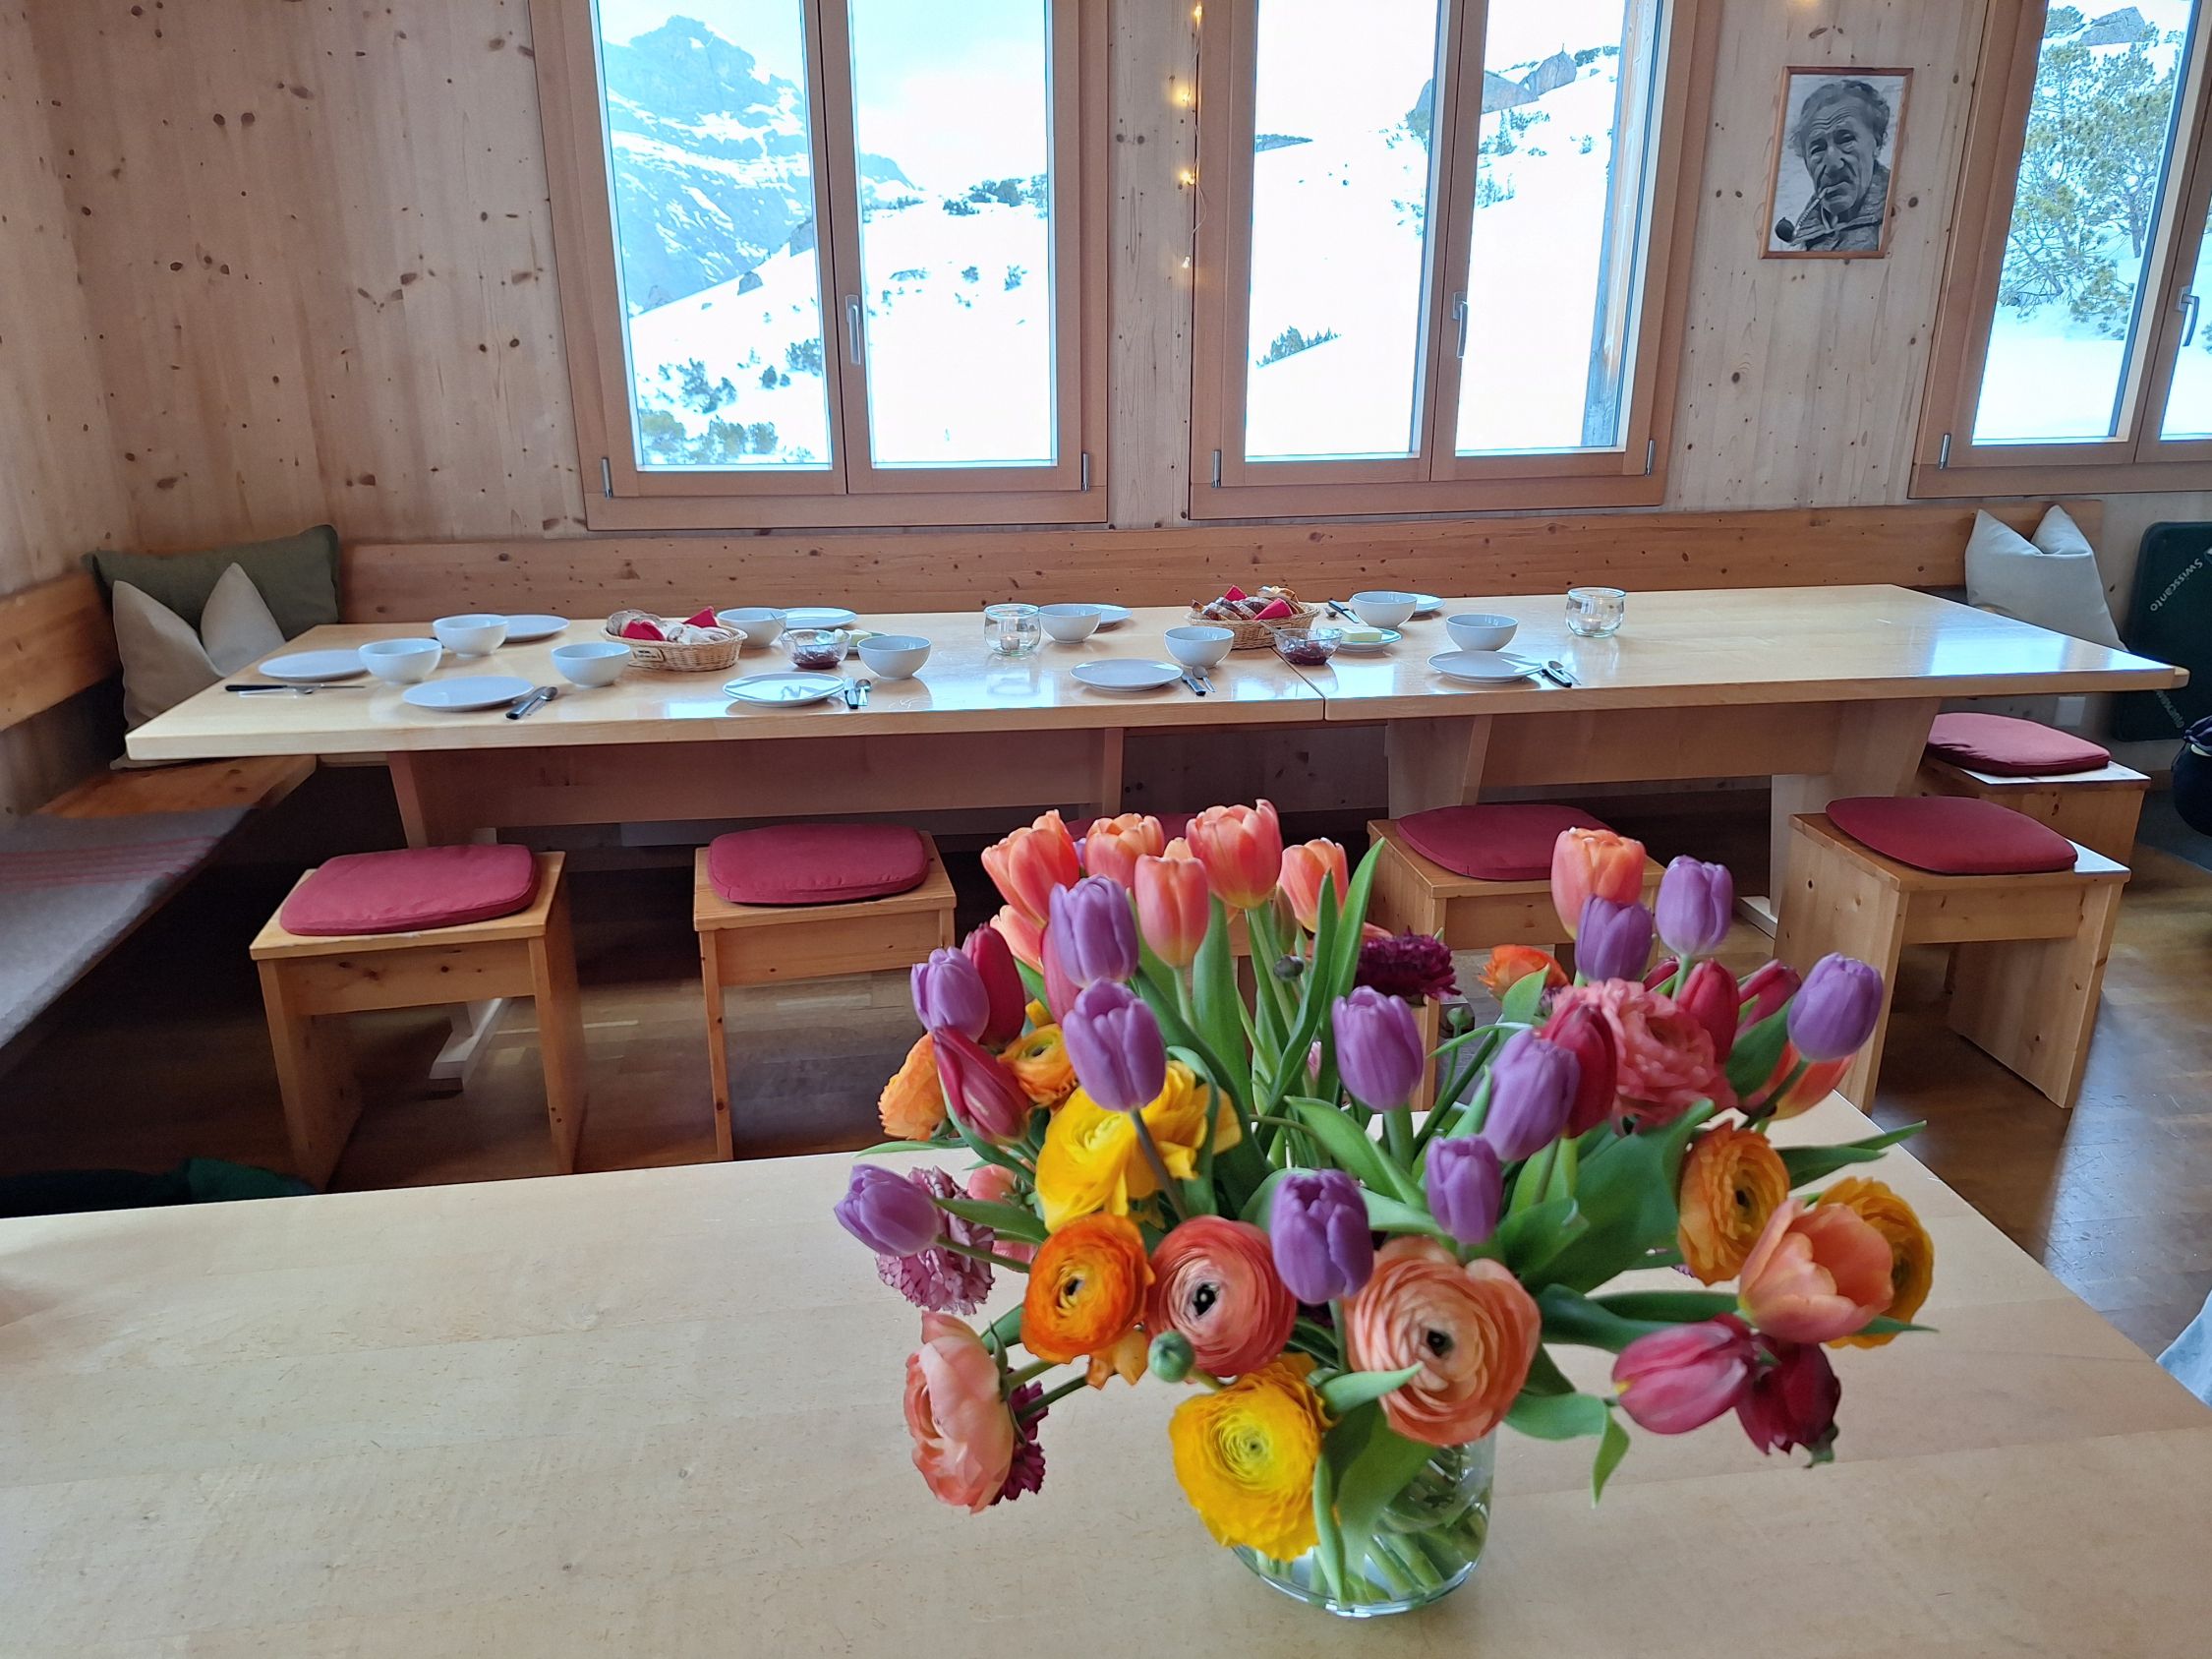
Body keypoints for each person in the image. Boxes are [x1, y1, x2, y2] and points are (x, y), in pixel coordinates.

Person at [1774, 79, 1892, 253]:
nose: (1833, 164)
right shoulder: (1797, 240)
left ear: (1877, 142)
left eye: (1846, 140)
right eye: (1817, 149)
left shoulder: (1903, 214)